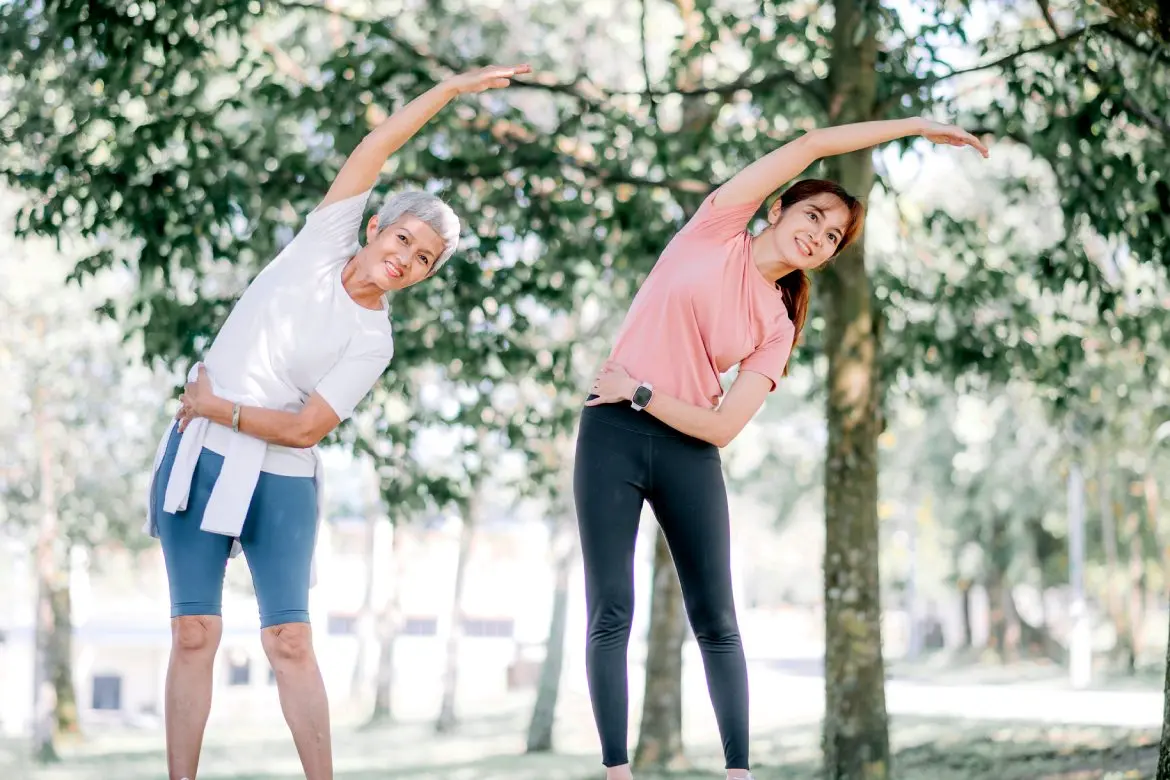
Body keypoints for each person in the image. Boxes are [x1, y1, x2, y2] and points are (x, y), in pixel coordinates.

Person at [144, 63, 531, 780]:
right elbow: (377, 145)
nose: (405, 260)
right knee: (193, 630)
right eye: (403, 240)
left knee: (289, 639)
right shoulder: (320, 246)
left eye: (423, 259)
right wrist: (448, 91)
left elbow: (304, 430)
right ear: (376, 225)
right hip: (199, 459)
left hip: (279, 479)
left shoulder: (374, 340)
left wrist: (214, 405)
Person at [576, 117, 989, 780]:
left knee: (717, 618)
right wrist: (915, 127)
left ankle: (740, 774)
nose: (820, 237)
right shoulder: (715, 228)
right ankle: (616, 773)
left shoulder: (777, 323)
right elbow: (812, 145)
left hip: (683, 442)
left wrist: (645, 392)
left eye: (832, 238)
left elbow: (722, 427)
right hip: (610, 435)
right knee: (612, 608)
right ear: (777, 206)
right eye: (816, 217)